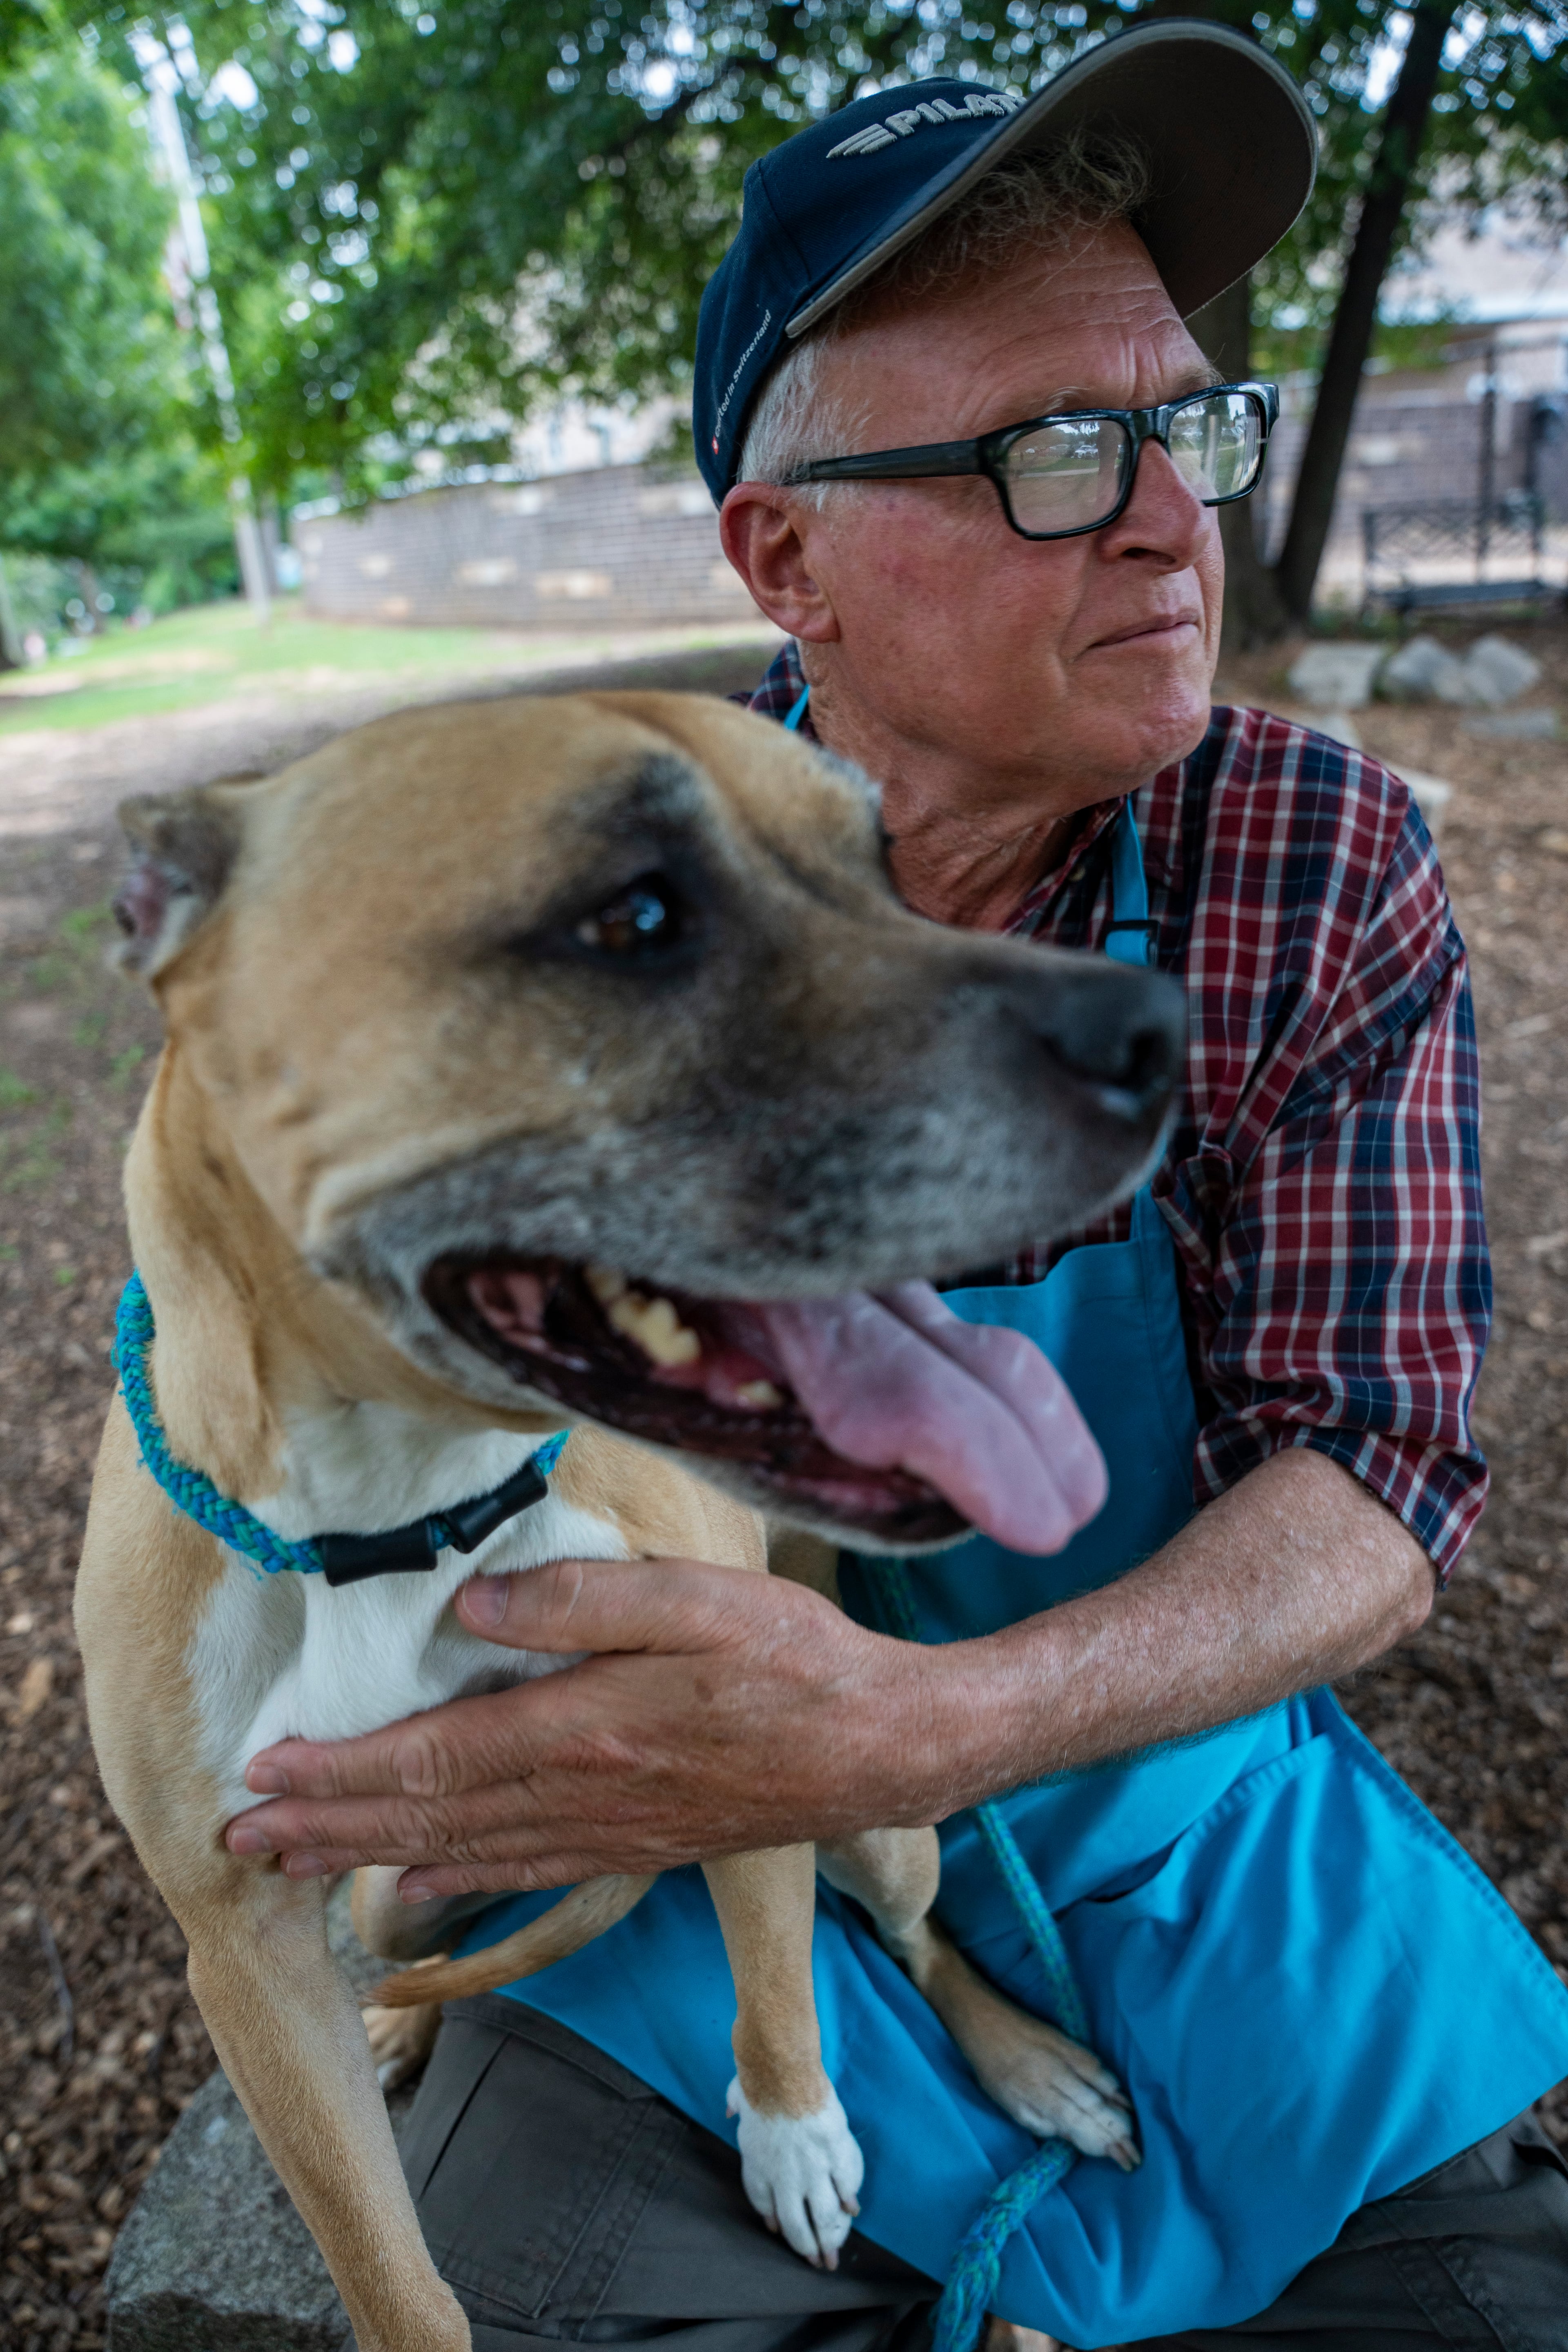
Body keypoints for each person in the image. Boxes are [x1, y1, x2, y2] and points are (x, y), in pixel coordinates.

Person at [228, 24, 1568, 2348]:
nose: (1174, 521)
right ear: (785, 555)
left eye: (1190, 427)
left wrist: (915, 1732)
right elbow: (316, 1372)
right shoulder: (563, 902)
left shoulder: (1313, 859)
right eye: (1058, 453)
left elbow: (1374, 1469)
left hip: (1191, 1819)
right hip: (685, 1850)